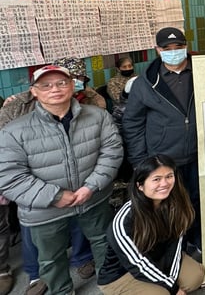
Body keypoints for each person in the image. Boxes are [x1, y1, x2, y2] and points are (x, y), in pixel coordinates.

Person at [0, 65, 123, 295]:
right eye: (46, 85)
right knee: (50, 259)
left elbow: (112, 151)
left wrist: (91, 186)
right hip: (44, 209)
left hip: (93, 198)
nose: (55, 89)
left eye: (61, 83)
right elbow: (9, 175)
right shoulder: (14, 131)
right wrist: (55, 196)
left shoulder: (97, 116)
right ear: (34, 91)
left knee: (104, 243)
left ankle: (111, 286)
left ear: (72, 85)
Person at [122, 27, 201, 252]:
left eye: (179, 47)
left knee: (197, 201)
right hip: (164, 159)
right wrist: (139, 161)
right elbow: (132, 123)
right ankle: (175, 250)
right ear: (158, 50)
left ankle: (196, 243)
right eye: (167, 48)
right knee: (167, 206)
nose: (174, 52)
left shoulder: (203, 72)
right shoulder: (144, 83)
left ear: (186, 47)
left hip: (199, 153)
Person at [97, 155, 205, 294]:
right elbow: (138, 264)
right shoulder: (124, 221)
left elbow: (176, 248)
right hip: (123, 273)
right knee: (162, 293)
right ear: (140, 185)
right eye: (156, 179)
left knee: (195, 277)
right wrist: (173, 288)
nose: (165, 183)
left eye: (169, 176)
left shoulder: (177, 203)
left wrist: (170, 280)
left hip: (160, 259)